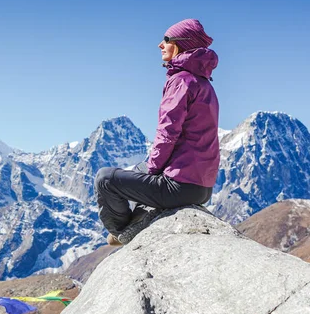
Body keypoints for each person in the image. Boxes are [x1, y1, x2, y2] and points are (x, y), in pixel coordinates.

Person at [94, 19, 220, 246]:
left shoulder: (181, 81)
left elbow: (167, 133)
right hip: (201, 188)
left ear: (181, 44)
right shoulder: (204, 84)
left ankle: (122, 231)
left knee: (105, 179)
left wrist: (152, 171)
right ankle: (141, 217)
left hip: (180, 187)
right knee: (141, 168)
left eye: (166, 40)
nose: (160, 45)